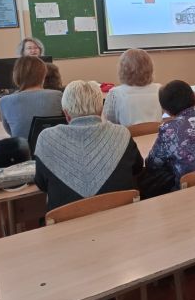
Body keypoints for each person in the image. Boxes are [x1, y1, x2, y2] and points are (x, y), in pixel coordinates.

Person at [34, 80, 143, 211]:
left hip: (67, 222)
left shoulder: (46, 139)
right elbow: (138, 168)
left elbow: (41, 184)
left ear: (66, 114)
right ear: (101, 110)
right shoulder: (122, 133)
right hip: (123, 217)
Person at [0, 56, 63, 139]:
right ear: (43, 75)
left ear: (16, 76)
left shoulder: (4, 102)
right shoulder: (58, 96)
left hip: (23, 146)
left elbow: (10, 132)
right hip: (52, 145)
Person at [102, 48, 162, 127]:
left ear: (123, 69)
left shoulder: (115, 93)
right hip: (155, 133)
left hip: (126, 134)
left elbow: (109, 121)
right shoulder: (159, 89)